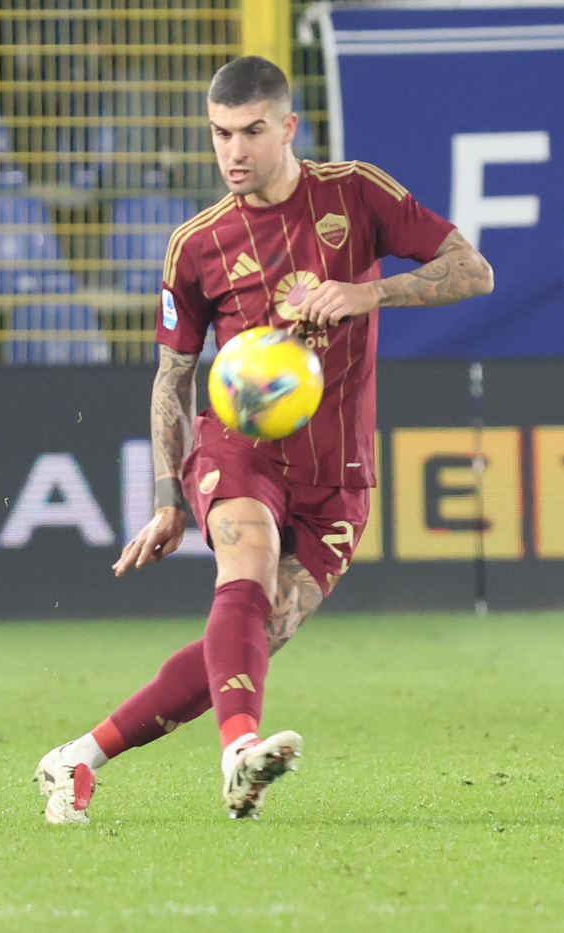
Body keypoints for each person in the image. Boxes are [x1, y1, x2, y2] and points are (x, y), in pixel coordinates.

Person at [33, 56, 493, 823]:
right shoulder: (198, 244)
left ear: (288, 127)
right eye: (219, 134)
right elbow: (172, 378)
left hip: (339, 475)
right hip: (240, 450)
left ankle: (76, 759)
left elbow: (473, 271)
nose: (233, 153)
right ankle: (238, 755)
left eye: (250, 132)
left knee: (249, 640)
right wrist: (165, 496)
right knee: (243, 571)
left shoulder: (356, 193)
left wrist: (363, 290)